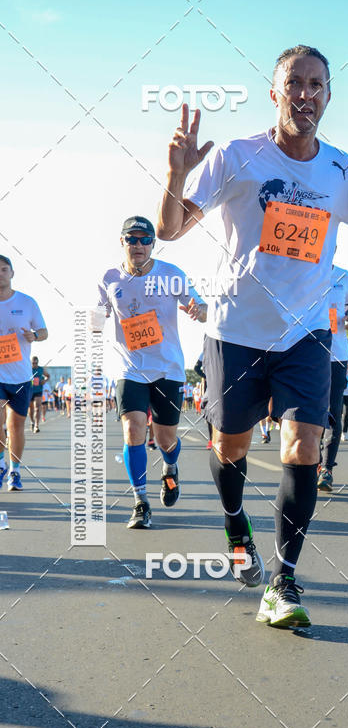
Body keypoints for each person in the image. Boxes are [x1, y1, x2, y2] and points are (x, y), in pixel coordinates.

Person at [157, 44, 348, 627]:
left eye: (317, 85)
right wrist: (176, 176)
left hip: (306, 332)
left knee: (303, 446)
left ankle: (283, 581)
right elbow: (170, 229)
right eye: (295, 83)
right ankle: (236, 525)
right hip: (236, 330)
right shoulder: (237, 155)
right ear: (275, 92)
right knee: (229, 447)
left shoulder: (340, 169)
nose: (306, 93)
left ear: (327, 97)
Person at [91, 216, 207, 528]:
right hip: (129, 369)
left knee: (166, 438)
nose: (139, 245)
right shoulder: (109, 277)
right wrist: (95, 321)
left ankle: (170, 467)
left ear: (153, 244)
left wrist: (200, 309)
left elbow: (200, 303)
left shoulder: (171, 274)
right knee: (133, 431)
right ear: (122, 242)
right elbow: (99, 311)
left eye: (145, 240)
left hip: (168, 367)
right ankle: (140, 501)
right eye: (132, 239)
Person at [0, 255, 48, 490]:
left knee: (16, 427)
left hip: (20, 376)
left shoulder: (27, 302)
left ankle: (15, 471)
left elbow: (44, 331)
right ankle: (1, 464)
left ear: (12, 273)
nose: (0, 274)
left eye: (4, 269)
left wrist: (35, 336)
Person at [317, 262, 348, 491]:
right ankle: (310, 463)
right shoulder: (301, 268)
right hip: (306, 352)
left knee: (334, 412)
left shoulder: (344, 275)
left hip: (338, 354)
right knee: (309, 413)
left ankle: (326, 469)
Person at [29, 356, 49, 432]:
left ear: (38, 362)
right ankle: (32, 421)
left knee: (37, 407)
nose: (34, 365)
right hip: (30, 391)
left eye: (36, 363)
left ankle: (36, 425)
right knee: (31, 409)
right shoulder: (28, 369)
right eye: (33, 363)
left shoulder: (41, 369)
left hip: (38, 391)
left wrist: (45, 381)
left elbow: (48, 376)